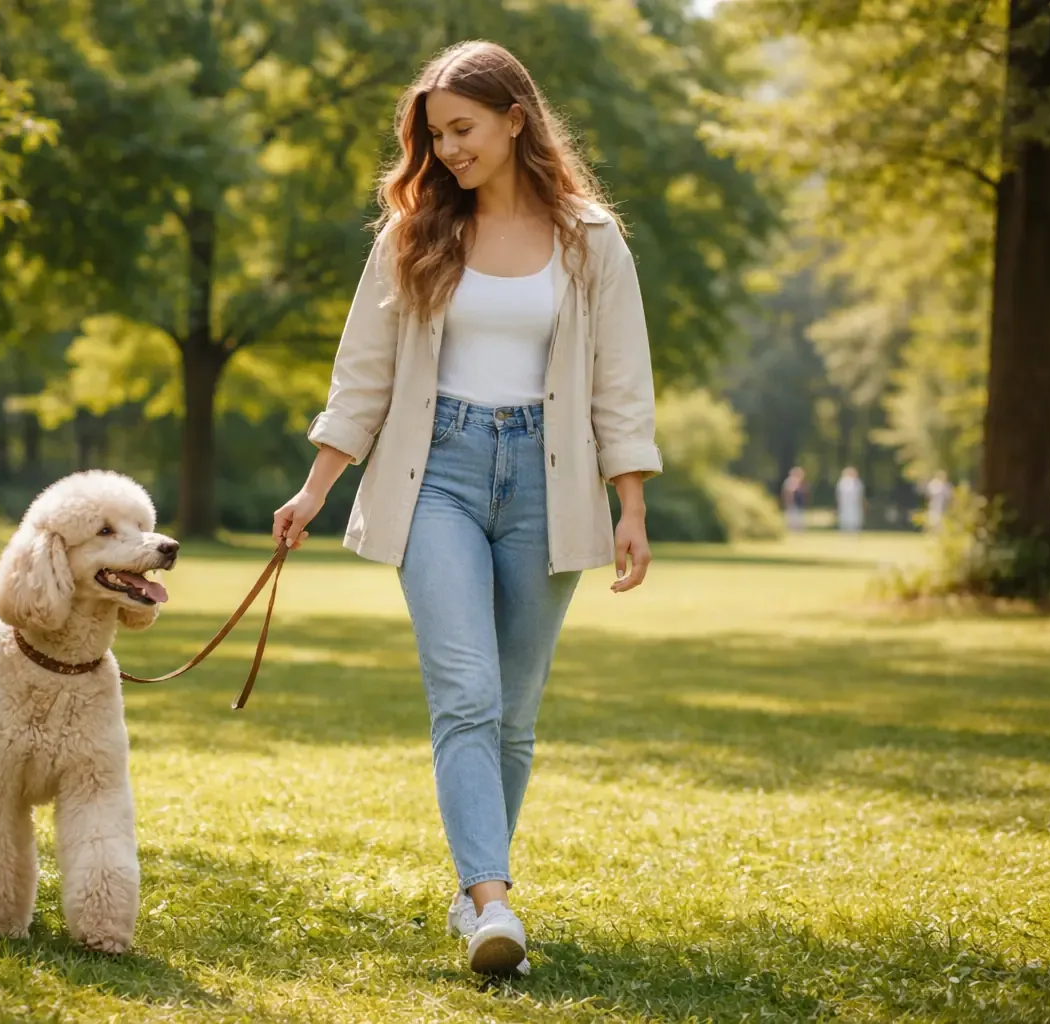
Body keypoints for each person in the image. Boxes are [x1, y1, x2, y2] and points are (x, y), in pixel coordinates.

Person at [271, 40, 660, 976]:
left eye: (462, 129)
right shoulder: (412, 233)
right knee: (467, 696)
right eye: (435, 134)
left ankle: (474, 886)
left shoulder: (591, 239)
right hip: (434, 472)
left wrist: (631, 505)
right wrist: (316, 486)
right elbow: (362, 376)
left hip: (548, 478)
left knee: (514, 715)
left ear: (515, 119)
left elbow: (621, 382)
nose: (446, 150)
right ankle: (495, 905)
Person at [835, 466, 864, 533]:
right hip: (845, 503)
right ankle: (844, 529)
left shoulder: (857, 482)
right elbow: (840, 493)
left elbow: (859, 493)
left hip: (855, 503)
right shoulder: (843, 482)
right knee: (845, 516)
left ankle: (855, 529)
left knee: (855, 516)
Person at [781, 466, 807, 531]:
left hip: (798, 504)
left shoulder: (799, 483)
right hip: (793, 504)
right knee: (792, 519)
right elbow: (788, 494)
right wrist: (789, 502)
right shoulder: (790, 482)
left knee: (798, 520)